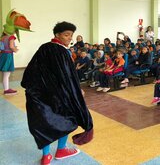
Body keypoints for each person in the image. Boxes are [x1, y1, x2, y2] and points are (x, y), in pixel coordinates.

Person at [21, 21, 93, 165]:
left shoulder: (44, 48)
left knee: (44, 123)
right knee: (67, 119)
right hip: (60, 95)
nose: (69, 38)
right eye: (66, 35)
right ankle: (61, 150)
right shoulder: (62, 51)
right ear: (57, 35)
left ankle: (46, 156)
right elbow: (68, 76)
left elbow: (30, 72)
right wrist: (76, 91)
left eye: (71, 36)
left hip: (40, 95)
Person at [1, 10, 31, 95]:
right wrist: (15, 49)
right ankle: (7, 90)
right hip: (8, 56)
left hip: (3, 55)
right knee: (7, 74)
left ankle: (6, 88)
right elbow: (11, 46)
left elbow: (1, 47)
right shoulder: (11, 37)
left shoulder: (2, 37)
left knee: (5, 74)